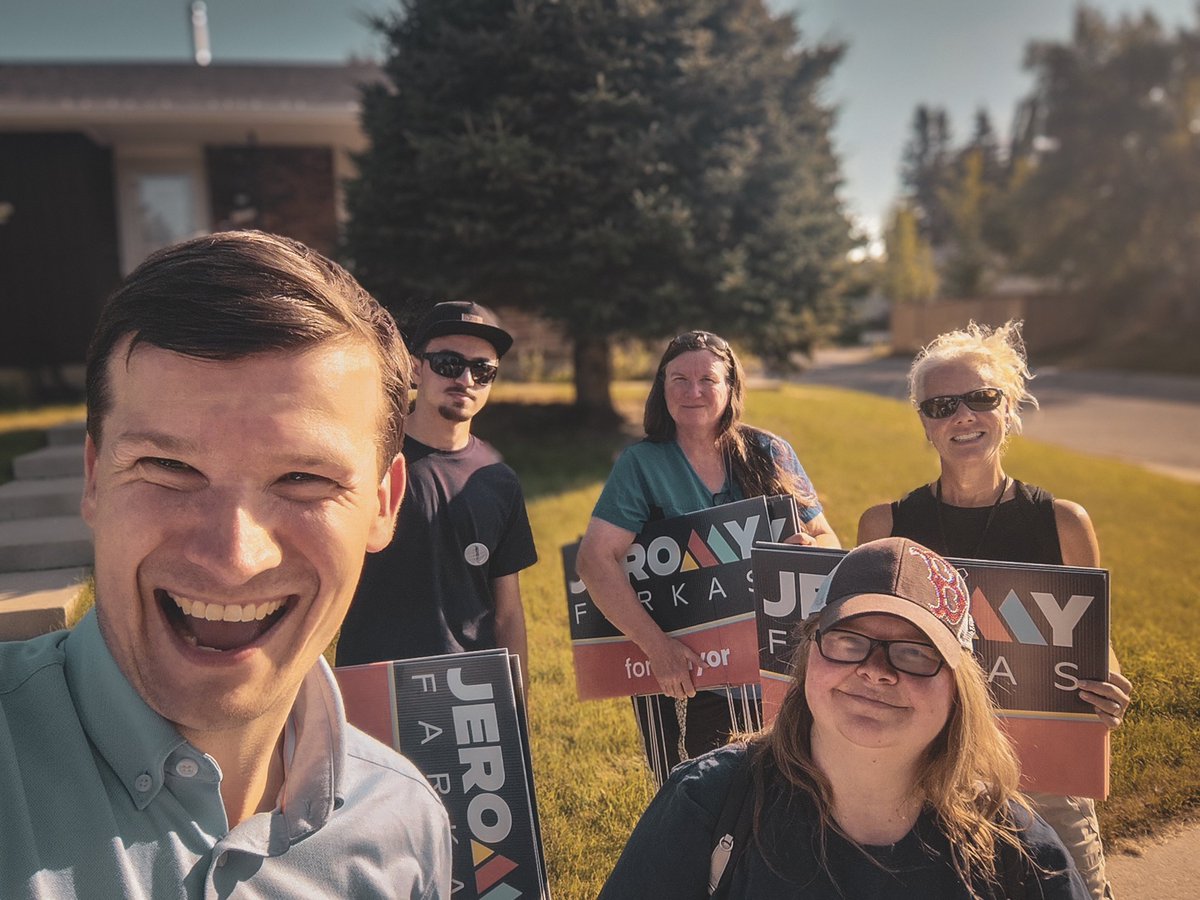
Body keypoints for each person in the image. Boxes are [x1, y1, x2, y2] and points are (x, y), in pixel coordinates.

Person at [0, 231, 451, 898]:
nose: (234, 558)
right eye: (169, 468)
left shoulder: (404, 830)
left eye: (302, 477)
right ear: (95, 479)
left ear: (384, 504)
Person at [599, 537, 1089, 899]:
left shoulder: (1021, 855)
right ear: (808, 656)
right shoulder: (709, 804)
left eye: (915, 654)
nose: (875, 672)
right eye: (849, 642)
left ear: (959, 689)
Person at [857, 320, 1132, 900]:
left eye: (981, 398)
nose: (962, 416)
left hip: (1046, 766)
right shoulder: (885, 528)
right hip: (929, 763)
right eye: (941, 405)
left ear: (1008, 408)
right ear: (925, 424)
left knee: (1073, 889)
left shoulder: (1062, 523)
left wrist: (1107, 681)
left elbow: (1092, 643)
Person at [576, 330, 840, 782]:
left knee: (794, 783)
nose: (692, 391)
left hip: (776, 662)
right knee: (696, 792)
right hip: (689, 671)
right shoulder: (642, 464)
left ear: (731, 387)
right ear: (661, 387)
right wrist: (657, 648)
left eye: (708, 379)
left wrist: (811, 552)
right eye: (679, 378)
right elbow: (595, 560)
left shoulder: (769, 452)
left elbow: (827, 539)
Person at [336, 301, 537, 676]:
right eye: (448, 363)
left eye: (482, 370)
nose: (465, 380)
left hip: (471, 689)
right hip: (374, 679)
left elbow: (508, 613)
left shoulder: (498, 479)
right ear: (416, 368)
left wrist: (517, 708)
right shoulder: (367, 460)